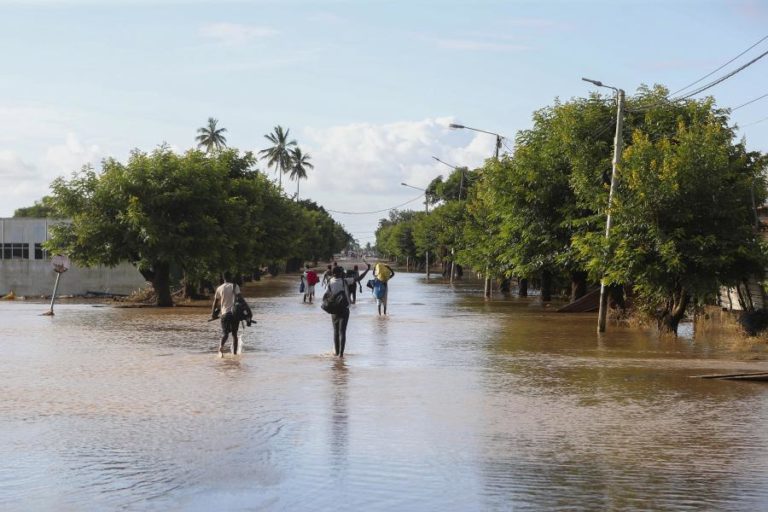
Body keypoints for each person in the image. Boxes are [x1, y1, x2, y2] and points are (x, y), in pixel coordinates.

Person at [326, 261, 371, 357]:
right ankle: (341, 355)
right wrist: (367, 270)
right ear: (339, 273)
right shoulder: (345, 281)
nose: (343, 273)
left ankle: (336, 353)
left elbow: (327, 294)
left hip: (334, 310)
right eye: (341, 272)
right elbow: (359, 278)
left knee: (335, 332)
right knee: (342, 331)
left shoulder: (330, 281)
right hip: (344, 309)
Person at [211, 272, 243, 357]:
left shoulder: (219, 288)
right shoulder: (235, 286)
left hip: (224, 314)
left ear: (223, 278)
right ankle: (235, 354)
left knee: (225, 334)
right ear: (231, 277)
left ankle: (221, 348)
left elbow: (215, 302)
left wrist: (213, 314)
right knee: (234, 334)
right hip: (234, 314)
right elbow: (240, 299)